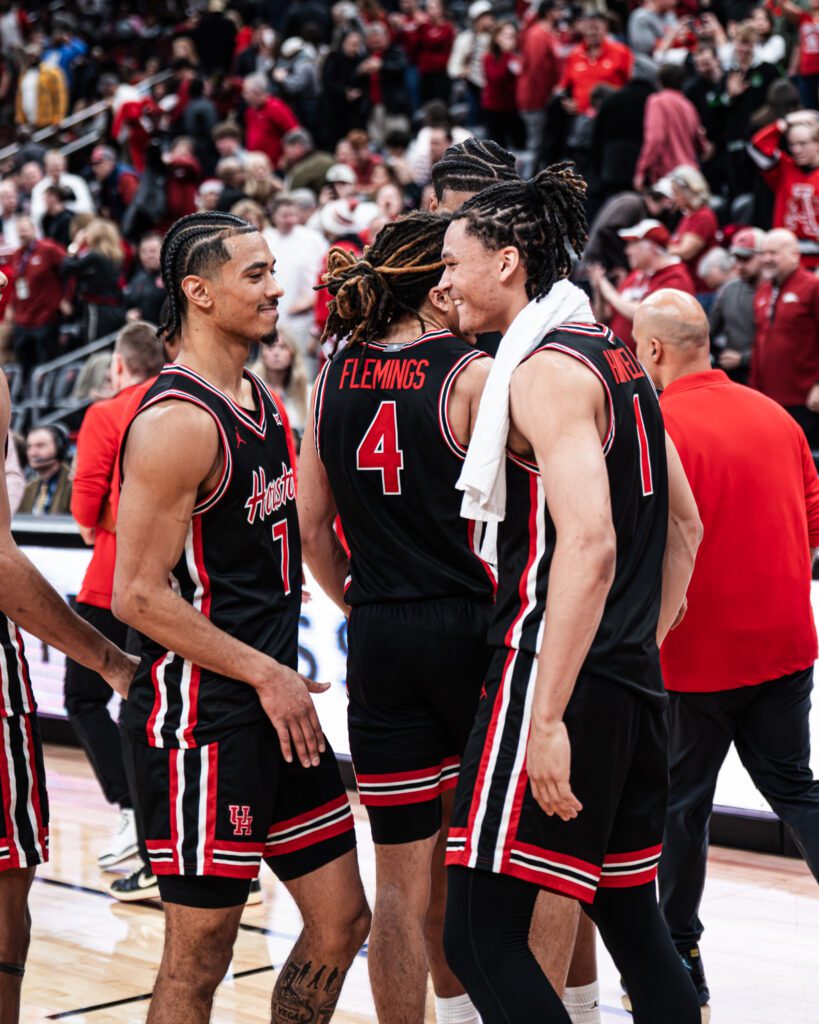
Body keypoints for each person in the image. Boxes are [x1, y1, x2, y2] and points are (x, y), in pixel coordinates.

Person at [437, 166, 702, 1024]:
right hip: (628, 679)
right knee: (629, 914)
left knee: (478, 933)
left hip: (554, 672)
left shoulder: (545, 372)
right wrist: (632, 647)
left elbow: (588, 543)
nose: (442, 283)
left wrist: (549, 713)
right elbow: (686, 528)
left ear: (508, 263)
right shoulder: (616, 354)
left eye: (452, 262)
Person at [112, 211, 369, 1023]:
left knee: (341, 923)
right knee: (201, 954)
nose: (275, 287)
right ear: (199, 291)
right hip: (205, 721)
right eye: (254, 274)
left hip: (276, 713)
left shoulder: (261, 398)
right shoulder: (175, 423)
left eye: (271, 269)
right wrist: (265, 671)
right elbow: (138, 596)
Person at [299, 211, 493, 1024]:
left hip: (377, 631)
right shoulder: (473, 373)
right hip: (470, 629)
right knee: (496, 872)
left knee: (400, 888)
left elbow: (311, 528)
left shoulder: (330, 373)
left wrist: (364, 601)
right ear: (434, 284)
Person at [632, 287, 819, 1017]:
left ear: (650, 350)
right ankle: (677, 946)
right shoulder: (776, 415)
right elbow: (810, 527)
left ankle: (679, 951)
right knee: (797, 792)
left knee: (681, 809)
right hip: (782, 646)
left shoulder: (656, 426)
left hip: (692, 659)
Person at [0, 335, 135, 1024]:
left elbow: (85, 509)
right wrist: (110, 660)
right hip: (136, 590)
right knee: (6, 872)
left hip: (120, 585)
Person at [67, 322, 166, 878]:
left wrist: (104, 521)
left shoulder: (106, 412)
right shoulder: (181, 396)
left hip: (113, 579)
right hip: (176, 581)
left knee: (87, 696)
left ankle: (136, 813)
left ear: (120, 366)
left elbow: (84, 511)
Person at [751, 228, 819, 448]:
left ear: (794, 255)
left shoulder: (812, 287)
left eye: (774, 253)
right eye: (764, 253)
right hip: (769, 399)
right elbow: (759, 342)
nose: (767, 259)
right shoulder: (762, 292)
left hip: (804, 399)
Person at [588, 218, 695, 350]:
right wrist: (598, 289)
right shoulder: (637, 274)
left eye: (633, 244)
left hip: (646, 365)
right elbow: (602, 317)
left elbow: (646, 314)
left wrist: (608, 291)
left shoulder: (676, 278)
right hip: (617, 359)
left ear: (652, 247)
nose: (627, 251)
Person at [748, 110, 819, 267]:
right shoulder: (784, 168)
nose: (796, 150)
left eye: (802, 144)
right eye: (792, 144)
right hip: (785, 259)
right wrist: (784, 122)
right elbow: (756, 147)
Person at [264, 194, 327, 357]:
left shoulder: (312, 238)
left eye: (293, 215)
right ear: (274, 216)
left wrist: (312, 299)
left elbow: (326, 273)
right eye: (285, 216)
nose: (290, 220)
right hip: (275, 317)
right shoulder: (266, 238)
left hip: (305, 319)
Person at [7, 216, 65, 380]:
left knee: (46, 365)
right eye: (19, 229)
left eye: (25, 227)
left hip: (45, 317)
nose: (22, 232)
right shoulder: (17, 255)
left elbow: (69, 268)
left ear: (34, 229)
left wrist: (65, 298)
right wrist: (11, 306)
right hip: (23, 319)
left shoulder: (48, 248)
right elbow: (16, 283)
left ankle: (46, 400)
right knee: (23, 365)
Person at [634, 63, 708, 190]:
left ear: (660, 81)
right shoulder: (688, 105)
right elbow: (701, 146)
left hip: (669, 178)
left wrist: (642, 171)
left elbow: (655, 139)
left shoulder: (657, 101)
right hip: (690, 176)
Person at [709, 226, 765, 384]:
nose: (740, 265)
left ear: (763, 256)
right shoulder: (729, 290)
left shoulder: (775, 291)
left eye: (746, 258)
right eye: (737, 259)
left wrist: (743, 359)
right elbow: (708, 331)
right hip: (736, 375)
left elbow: (781, 344)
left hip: (768, 373)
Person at [516, 1, 562, 158]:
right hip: (535, 98)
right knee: (535, 145)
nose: (562, 13)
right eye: (558, 9)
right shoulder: (537, 35)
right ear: (549, 12)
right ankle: (525, 181)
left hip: (542, 97)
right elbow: (536, 70)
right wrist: (545, 97)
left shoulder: (549, 33)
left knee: (541, 144)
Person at [667, 165, 719, 293]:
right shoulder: (688, 216)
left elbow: (686, 251)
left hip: (701, 289)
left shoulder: (703, 216)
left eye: (676, 193)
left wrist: (661, 248)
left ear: (688, 191)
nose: (674, 198)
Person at [250, 330, 309, 437]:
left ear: (292, 353)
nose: (276, 353)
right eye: (270, 347)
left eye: (282, 347)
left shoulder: (306, 391)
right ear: (262, 354)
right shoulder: (251, 388)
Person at [242, 74, 300, 169]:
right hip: (255, 166)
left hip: (274, 166)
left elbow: (294, 133)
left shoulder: (276, 108)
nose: (244, 96)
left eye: (246, 93)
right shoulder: (250, 111)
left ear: (257, 92)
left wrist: (286, 158)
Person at [29, 149, 94, 229]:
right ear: (46, 167)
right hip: (50, 228)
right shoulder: (39, 188)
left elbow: (87, 207)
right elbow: (36, 215)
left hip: (76, 225)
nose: (56, 168)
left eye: (58, 165)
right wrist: (51, 209)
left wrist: (64, 207)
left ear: (64, 165)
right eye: (53, 165)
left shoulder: (76, 182)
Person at [18, 426, 72, 516]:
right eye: (29, 447)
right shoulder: (27, 488)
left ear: (60, 448)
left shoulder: (73, 484)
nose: (32, 453)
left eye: (40, 446)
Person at [124, 233, 166, 325]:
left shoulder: (172, 276)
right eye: (144, 252)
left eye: (153, 251)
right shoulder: (137, 279)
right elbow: (127, 304)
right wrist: (128, 314)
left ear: (164, 251)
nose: (149, 255)